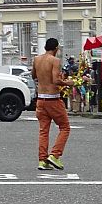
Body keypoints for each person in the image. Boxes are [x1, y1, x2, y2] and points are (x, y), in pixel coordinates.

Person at [31, 38, 72, 171]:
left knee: (43, 131)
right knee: (65, 127)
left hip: (40, 100)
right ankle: (55, 155)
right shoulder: (55, 60)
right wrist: (67, 83)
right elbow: (55, 80)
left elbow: (33, 76)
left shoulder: (37, 59)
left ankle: (42, 160)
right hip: (53, 99)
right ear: (56, 48)